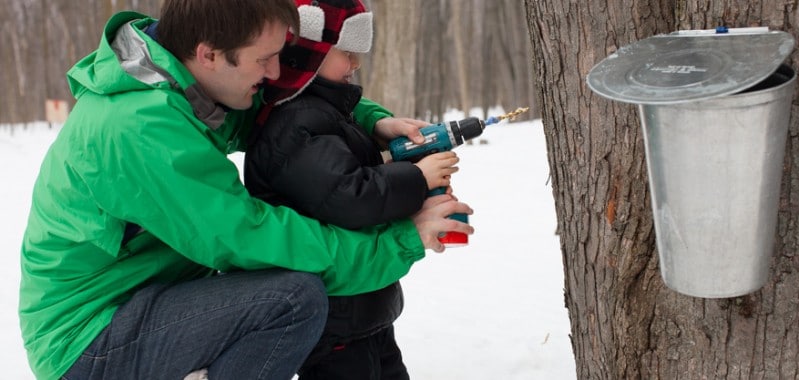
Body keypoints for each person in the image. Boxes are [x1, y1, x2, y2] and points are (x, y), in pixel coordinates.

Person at [17, 0, 473, 379]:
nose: (276, 72)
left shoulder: (183, 85)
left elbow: (291, 102)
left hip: (145, 301)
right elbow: (248, 235)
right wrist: (400, 241)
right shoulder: (138, 129)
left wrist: (373, 119)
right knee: (290, 300)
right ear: (210, 54)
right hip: (87, 341)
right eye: (264, 59)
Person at [244, 1, 458, 379]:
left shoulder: (326, 112)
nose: (355, 64)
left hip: (362, 308)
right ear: (309, 50)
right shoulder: (293, 123)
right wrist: (417, 178)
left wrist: (398, 162)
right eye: (346, 52)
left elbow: (355, 175)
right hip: (335, 316)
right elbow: (349, 195)